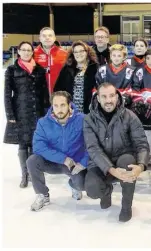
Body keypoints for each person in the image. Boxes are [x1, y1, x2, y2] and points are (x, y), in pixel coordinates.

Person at [83, 83, 149, 222]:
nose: (108, 100)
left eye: (112, 96)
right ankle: (106, 192)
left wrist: (141, 166)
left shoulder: (129, 116)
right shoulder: (89, 120)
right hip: (100, 163)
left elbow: (142, 143)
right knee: (92, 189)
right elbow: (93, 149)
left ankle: (126, 206)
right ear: (98, 99)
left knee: (128, 163)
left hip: (123, 158)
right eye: (104, 96)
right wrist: (112, 170)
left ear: (117, 97)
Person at [26, 91, 88, 211]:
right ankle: (42, 194)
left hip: (74, 164)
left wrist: (83, 162)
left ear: (69, 105)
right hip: (53, 162)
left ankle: (74, 185)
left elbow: (92, 144)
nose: (59, 109)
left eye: (63, 105)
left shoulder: (83, 120)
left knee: (81, 184)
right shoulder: (43, 122)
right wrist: (62, 158)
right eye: (56, 105)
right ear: (52, 106)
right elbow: (38, 146)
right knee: (32, 161)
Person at [4, 41, 49, 188]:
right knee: (23, 144)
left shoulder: (39, 70)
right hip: (21, 111)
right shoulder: (11, 70)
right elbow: (7, 95)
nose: (26, 52)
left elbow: (44, 94)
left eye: (29, 50)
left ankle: (33, 172)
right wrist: (10, 114)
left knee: (35, 143)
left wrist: (47, 111)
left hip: (37, 112)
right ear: (18, 52)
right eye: (23, 50)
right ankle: (24, 174)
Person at [54, 40, 99, 114]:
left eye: (81, 51)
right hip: (71, 112)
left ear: (87, 52)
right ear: (73, 54)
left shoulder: (95, 68)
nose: (79, 54)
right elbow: (57, 89)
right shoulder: (66, 69)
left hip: (90, 111)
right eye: (76, 52)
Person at [95, 44, 135, 109]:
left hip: (124, 106)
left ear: (124, 57)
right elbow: (96, 88)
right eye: (114, 55)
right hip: (105, 104)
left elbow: (133, 89)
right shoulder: (102, 69)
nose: (116, 58)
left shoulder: (131, 70)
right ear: (110, 56)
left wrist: (121, 100)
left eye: (119, 56)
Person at [33, 27, 68, 95]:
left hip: (59, 95)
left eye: (50, 35)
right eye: (44, 36)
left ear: (54, 38)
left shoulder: (64, 54)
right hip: (39, 95)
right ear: (40, 38)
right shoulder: (32, 54)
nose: (47, 38)